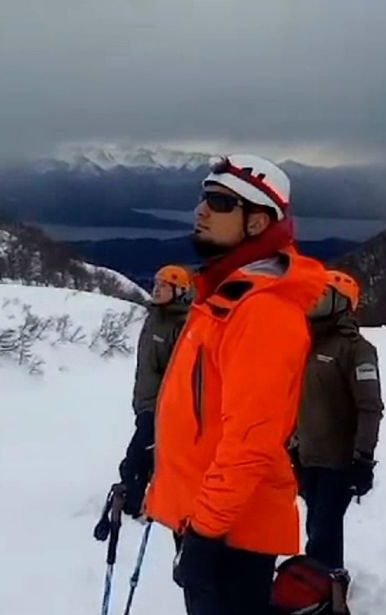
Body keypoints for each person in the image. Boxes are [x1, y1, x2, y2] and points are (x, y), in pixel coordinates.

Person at [142, 154, 328, 615]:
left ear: (256, 222)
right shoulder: (224, 298)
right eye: (204, 197)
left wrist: (204, 533)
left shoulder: (261, 312)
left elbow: (250, 439)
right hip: (210, 518)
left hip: (228, 530)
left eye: (221, 202)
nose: (201, 210)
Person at [291, 268, 384, 572]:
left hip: (338, 461)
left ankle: (324, 593)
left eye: (322, 294)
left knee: (323, 535)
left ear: (340, 303)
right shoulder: (305, 343)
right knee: (316, 527)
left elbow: (370, 407)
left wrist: (363, 457)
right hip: (306, 456)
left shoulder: (357, 350)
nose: (313, 299)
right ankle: (324, 588)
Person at [117, 264, 194, 518]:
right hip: (146, 402)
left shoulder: (182, 325)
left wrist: (168, 408)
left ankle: (137, 506)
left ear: (180, 291)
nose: (157, 290)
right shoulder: (154, 317)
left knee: (137, 460)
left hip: (162, 407)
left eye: (164, 286)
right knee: (143, 459)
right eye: (156, 284)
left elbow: (181, 373)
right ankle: (142, 501)